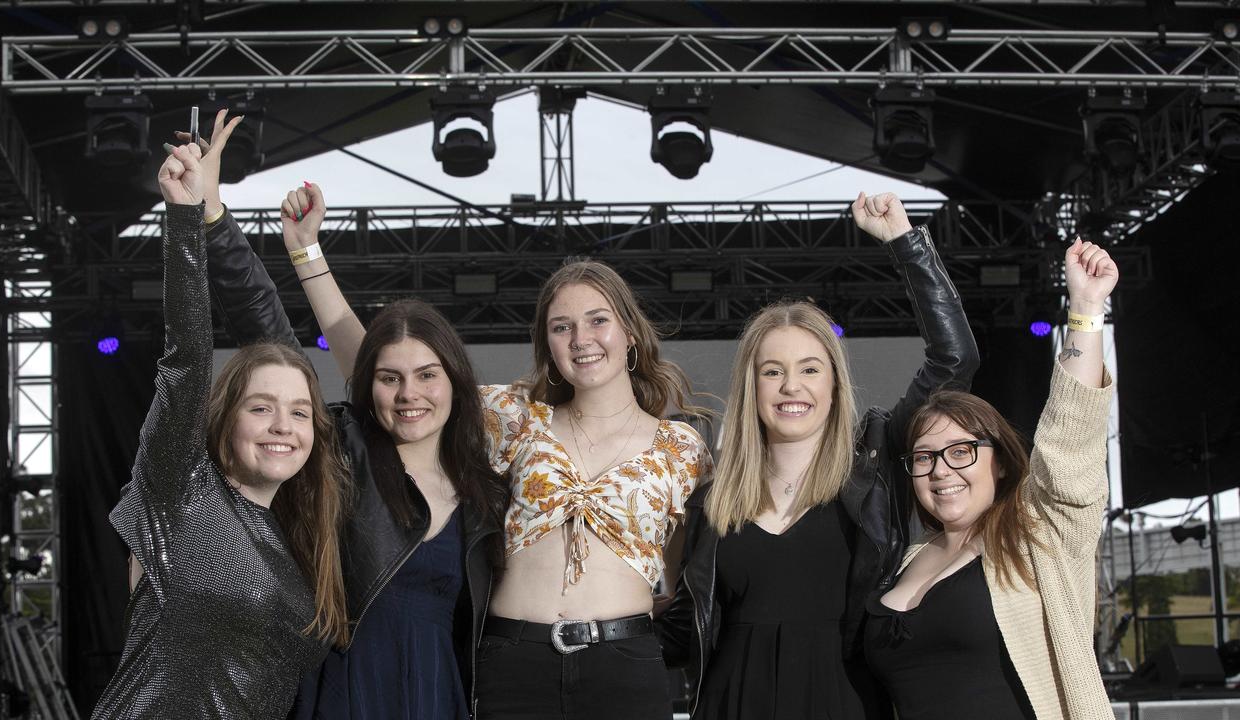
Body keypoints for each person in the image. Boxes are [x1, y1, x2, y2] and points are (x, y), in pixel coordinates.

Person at [204, 174, 714, 719]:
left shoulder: (683, 448)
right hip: (515, 662)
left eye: (597, 321)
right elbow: (382, 367)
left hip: (623, 662)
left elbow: (691, 564)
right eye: (562, 327)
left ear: (629, 332)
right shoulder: (514, 417)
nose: (582, 339)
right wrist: (307, 254)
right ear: (547, 344)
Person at [184, 112, 508, 719]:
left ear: (455, 384)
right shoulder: (344, 453)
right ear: (369, 388)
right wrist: (212, 217)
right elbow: (265, 326)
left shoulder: (486, 489)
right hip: (344, 690)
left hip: (439, 694)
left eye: (426, 376)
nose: (409, 394)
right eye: (388, 378)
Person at [656, 192, 980, 719]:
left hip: (846, 703)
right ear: (752, 388)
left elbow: (954, 358)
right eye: (772, 371)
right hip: (731, 705)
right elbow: (681, 632)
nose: (791, 386)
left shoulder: (874, 469)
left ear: (834, 384)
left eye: (810, 369)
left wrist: (904, 241)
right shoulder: (710, 503)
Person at [92, 141, 349, 719]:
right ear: (224, 418)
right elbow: (186, 358)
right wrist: (187, 216)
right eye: (260, 409)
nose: (283, 424)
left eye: (300, 412)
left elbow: (283, 357)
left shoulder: (296, 539)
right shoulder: (180, 491)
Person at [864, 239, 1118, 720]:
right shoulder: (902, 560)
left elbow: (1071, 440)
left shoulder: (1041, 538)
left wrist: (1085, 309)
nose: (942, 470)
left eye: (961, 451)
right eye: (925, 457)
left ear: (998, 461)